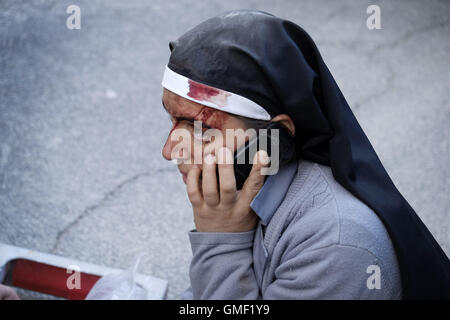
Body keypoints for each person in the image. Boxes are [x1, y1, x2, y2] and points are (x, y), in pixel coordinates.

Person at [160, 10, 450, 299]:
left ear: (274, 137)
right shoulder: (240, 198)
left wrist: (221, 241)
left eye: (200, 128)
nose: (169, 151)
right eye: (173, 121)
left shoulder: (335, 246)